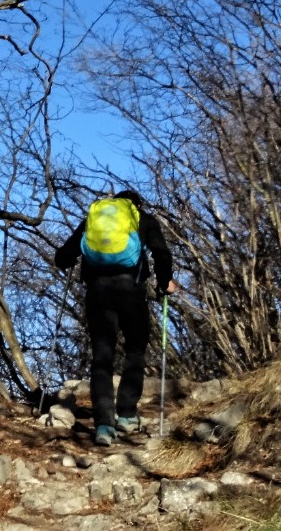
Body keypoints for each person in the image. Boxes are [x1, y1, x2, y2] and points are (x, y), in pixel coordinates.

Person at [54, 190, 175, 447]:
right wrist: (166, 282)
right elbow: (162, 254)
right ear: (137, 205)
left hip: (97, 293)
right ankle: (127, 415)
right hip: (132, 291)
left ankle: (104, 426)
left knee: (102, 356)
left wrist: (68, 261)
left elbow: (63, 257)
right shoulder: (143, 218)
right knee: (135, 349)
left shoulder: (94, 219)